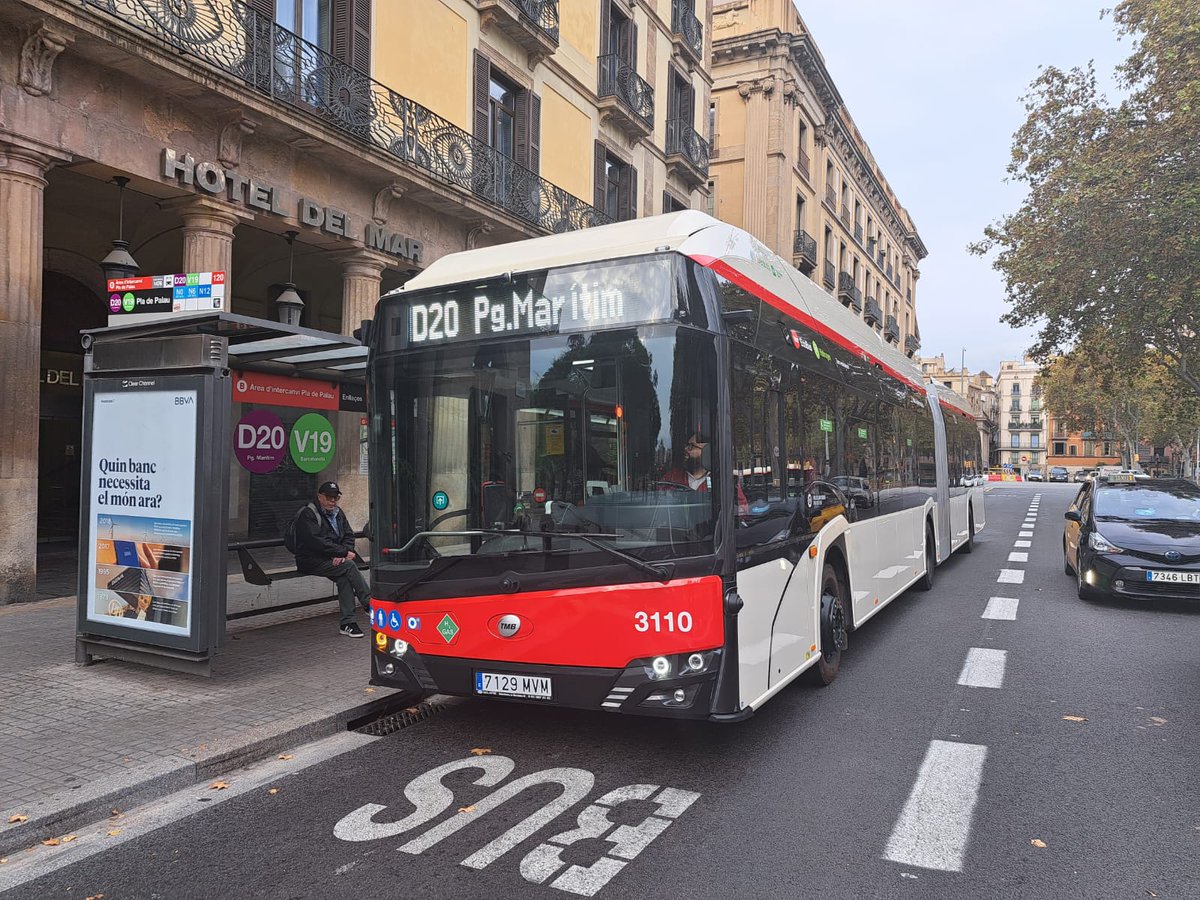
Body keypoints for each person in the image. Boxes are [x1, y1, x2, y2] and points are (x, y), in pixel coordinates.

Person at [293, 481, 371, 638]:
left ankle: (348, 623)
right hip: (310, 560)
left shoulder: (338, 512)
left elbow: (349, 535)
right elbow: (316, 541)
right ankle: (369, 603)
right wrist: (342, 553)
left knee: (344, 578)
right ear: (319, 496)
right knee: (349, 566)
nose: (333, 501)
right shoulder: (308, 514)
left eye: (336, 498)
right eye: (329, 497)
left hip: (334, 559)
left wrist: (344, 552)